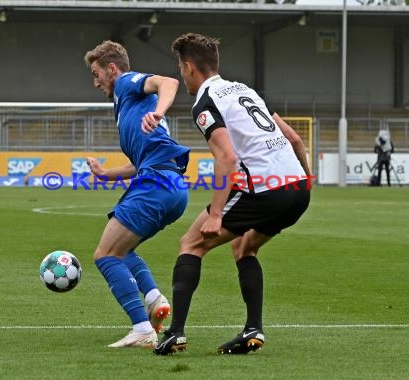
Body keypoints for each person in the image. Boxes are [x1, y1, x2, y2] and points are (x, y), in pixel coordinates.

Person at [152, 33, 312, 356]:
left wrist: (215, 215)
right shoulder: (245, 90)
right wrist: (307, 179)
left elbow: (226, 157)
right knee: (244, 246)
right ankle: (253, 330)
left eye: (182, 70)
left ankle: (175, 334)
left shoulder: (205, 101)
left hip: (266, 188)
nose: (183, 76)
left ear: (188, 67)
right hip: (297, 188)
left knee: (191, 244)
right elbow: (295, 140)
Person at [83, 41, 190, 348]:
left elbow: (167, 82)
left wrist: (158, 111)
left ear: (112, 69)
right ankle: (155, 299)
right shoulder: (126, 105)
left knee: (105, 255)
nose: (95, 82)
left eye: (97, 73)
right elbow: (137, 162)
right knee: (122, 249)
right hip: (169, 186)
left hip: (156, 184)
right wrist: (104, 174)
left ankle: (142, 328)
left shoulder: (128, 84)